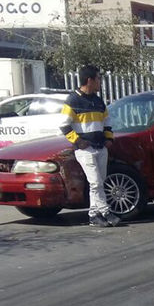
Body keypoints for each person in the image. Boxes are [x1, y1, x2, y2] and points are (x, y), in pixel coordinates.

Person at [60, 64, 121, 227]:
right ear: (89, 80)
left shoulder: (98, 101)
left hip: (101, 147)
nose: (100, 82)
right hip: (85, 150)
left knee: (99, 182)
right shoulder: (72, 100)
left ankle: (94, 215)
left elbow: (107, 122)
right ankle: (106, 212)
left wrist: (109, 139)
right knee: (95, 182)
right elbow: (64, 125)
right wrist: (78, 141)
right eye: (98, 78)